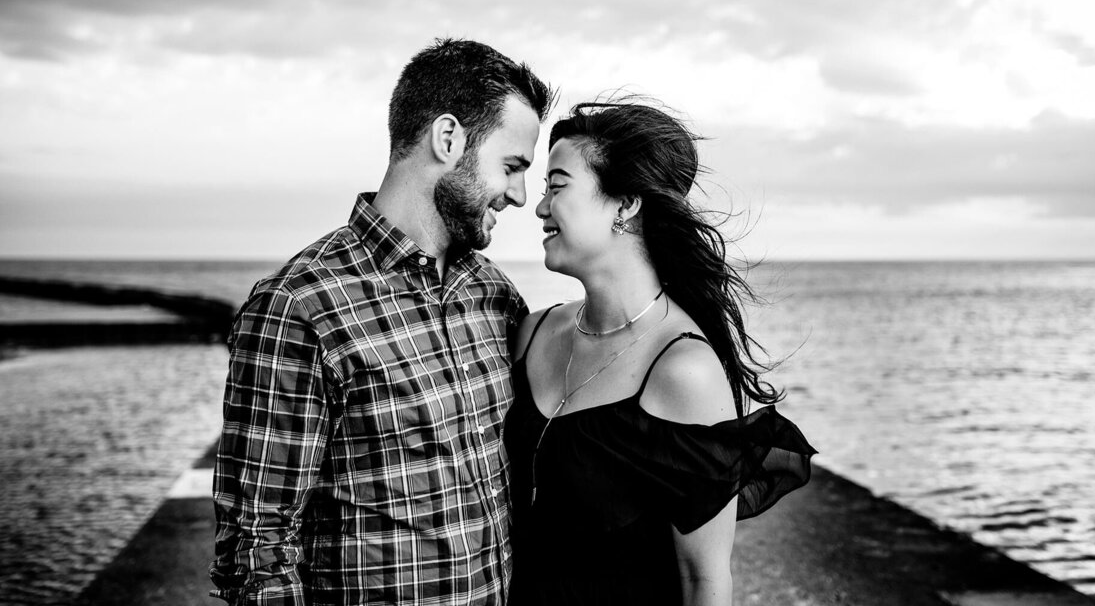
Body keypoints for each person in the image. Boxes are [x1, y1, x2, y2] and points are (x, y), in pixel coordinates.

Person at [210, 39, 554, 606]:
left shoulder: (494, 295)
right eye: (512, 166)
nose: (519, 195)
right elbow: (257, 550)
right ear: (449, 140)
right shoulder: (300, 306)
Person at [505, 101, 816, 606]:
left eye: (557, 186)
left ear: (625, 204)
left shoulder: (682, 371)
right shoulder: (532, 332)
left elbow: (705, 582)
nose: (539, 207)